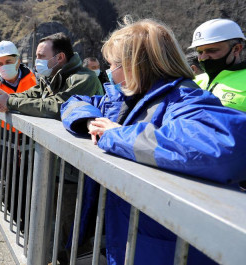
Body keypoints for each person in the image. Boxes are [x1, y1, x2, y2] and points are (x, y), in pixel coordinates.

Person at [60, 17, 246, 265]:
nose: (110, 72)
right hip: (130, 233)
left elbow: (223, 148)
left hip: (160, 244)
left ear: (136, 65)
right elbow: (74, 103)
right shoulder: (123, 97)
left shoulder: (183, 97)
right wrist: (88, 122)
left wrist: (116, 135)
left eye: (114, 64)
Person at [0, 33, 103, 119]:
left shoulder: (85, 79)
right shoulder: (49, 78)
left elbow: (58, 106)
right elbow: (31, 94)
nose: (37, 61)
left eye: (41, 56)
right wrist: (2, 98)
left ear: (59, 58)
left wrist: (9, 102)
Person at [188, 18, 246, 112]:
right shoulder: (193, 82)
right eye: (199, 52)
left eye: (212, 50)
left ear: (236, 49)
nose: (203, 57)